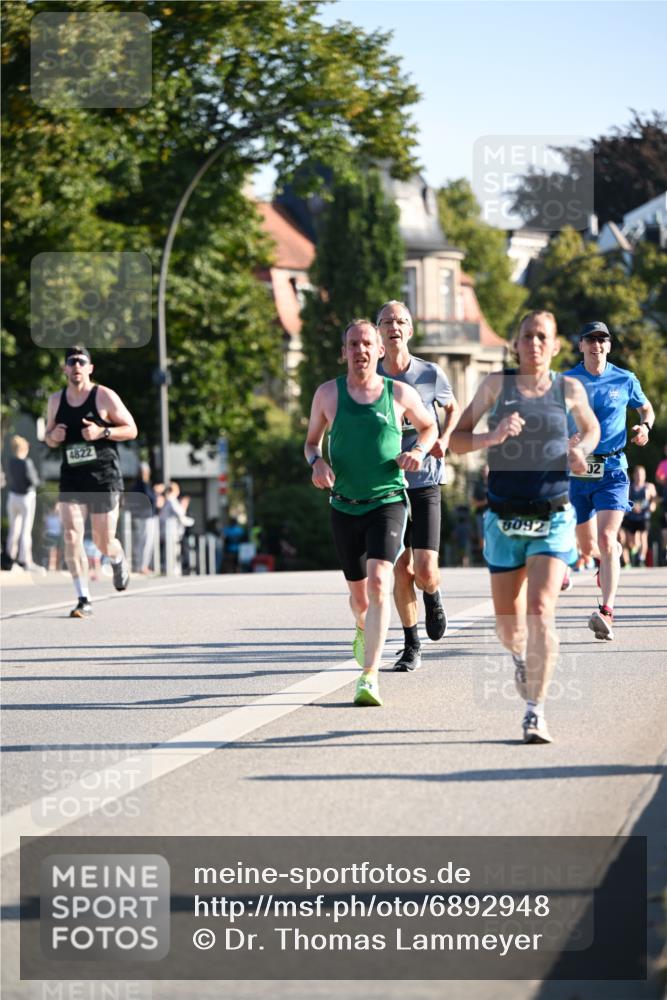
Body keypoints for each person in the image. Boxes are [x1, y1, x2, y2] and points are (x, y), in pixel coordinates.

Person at [450, 310, 599, 743]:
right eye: (527, 336)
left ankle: (535, 710)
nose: (534, 343)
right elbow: (455, 440)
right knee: (509, 628)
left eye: (542, 337)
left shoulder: (567, 389)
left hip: (553, 514)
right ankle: (519, 657)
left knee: (539, 610)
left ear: (554, 347)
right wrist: (491, 438)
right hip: (503, 519)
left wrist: (581, 451)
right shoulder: (497, 386)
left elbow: (590, 429)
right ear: (516, 344)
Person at [305, 318, 437, 706]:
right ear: (344, 351)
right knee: (361, 601)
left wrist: (417, 450)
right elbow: (312, 443)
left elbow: (429, 428)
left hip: (388, 502)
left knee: (381, 581)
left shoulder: (398, 393)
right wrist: (316, 464)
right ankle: (364, 626)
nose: (360, 350)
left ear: (379, 351)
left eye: (367, 344)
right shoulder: (327, 395)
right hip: (344, 505)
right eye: (353, 344)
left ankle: (369, 675)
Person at [376, 300, 460, 671]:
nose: (394, 326)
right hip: (386, 485)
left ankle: (433, 593)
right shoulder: (370, 377)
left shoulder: (430, 374)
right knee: (399, 568)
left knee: (424, 569)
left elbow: (452, 408)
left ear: (410, 331)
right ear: (378, 332)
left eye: (401, 321)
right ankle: (411, 645)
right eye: (387, 321)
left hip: (425, 480)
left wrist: (446, 438)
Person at [564, 321, 655, 639]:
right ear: (581, 345)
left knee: (605, 539)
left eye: (602, 340)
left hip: (613, 469)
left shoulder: (625, 378)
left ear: (609, 346)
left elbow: (647, 409)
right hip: (578, 471)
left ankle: (606, 611)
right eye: (590, 340)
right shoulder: (567, 380)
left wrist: (645, 427)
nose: (596, 346)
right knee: (589, 547)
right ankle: (608, 557)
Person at [44, 345, 137, 617]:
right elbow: (49, 435)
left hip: (104, 476)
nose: (76, 366)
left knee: (102, 541)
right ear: (64, 369)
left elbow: (131, 429)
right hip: (72, 476)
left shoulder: (104, 396)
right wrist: (53, 438)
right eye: (71, 362)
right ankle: (83, 597)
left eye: (81, 362)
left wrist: (102, 431)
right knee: (71, 534)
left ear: (90, 368)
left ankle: (117, 558)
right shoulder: (55, 400)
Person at [4, 435, 42, 571]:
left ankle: (9, 559)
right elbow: (34, 480)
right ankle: (25, 560)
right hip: (26, 497)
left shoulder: (10, 462)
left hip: (13, 496)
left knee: (13, 530)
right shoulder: (27, 462)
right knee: (25, 530)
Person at [621, 466, 656, 567]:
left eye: (641, 474)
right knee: (631, 542)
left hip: (644, 516)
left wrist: (652, 505)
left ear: (644, 476)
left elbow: (654, 499)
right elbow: (624, 499)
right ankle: (634, 549)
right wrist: (632, 508)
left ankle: (641, 559)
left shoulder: (649, 487)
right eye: (637, 474)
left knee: (643, 537)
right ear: (634, 475)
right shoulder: (629, 487)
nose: (639, 477)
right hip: (631, 517)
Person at [130, 462, 161, 574]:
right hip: (147, 516)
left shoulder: (135, 485)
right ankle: (142, 566)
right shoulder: (144, 484)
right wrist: (157, 493)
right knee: (146, 542)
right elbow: (151, 499)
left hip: (139, 516)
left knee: (138, 542)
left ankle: (139, 565)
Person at [654, 445, 667, 565]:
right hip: (665, 495)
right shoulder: (663, 463)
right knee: (664, 529)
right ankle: (665, 550)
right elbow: (658, 478)